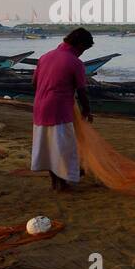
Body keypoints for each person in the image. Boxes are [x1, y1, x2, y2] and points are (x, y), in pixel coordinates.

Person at [30, 27, 94, 192]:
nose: (82, 53)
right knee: (63, 149)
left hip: (39, 108)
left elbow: (34, 84)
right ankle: (63, 184)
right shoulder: (75, 62)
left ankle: (54, 182)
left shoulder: (45, 57)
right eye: (83, 49)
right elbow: (81, 91)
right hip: (59, 110)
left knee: (48, 147)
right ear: (79, 44)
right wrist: (87, 110)